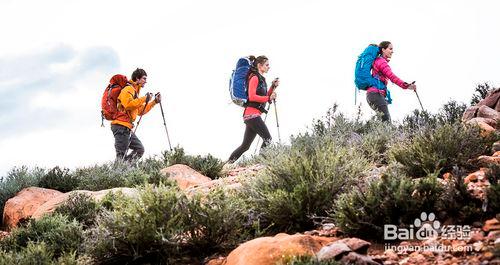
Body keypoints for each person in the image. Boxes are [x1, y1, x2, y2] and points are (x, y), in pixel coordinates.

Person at [228, 56, 279, 163]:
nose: (268, 67)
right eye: (267, 65)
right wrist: (268, 97)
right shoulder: (254, 78)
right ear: (259, 66)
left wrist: (272, 87)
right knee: (268, 139)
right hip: (252, 115)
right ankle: (261, 163)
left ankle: (226, 164)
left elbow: (264, 97)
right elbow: (252, 97)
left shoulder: (262, 79)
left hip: (252, 116)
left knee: (245, 146)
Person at [111, 68, 161, 161]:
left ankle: (125, 170)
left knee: (139, 149)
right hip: (121, 126)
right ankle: (119, 171)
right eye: (144, 79)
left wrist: (154, 102)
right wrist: (144, 98)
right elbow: (128, 104)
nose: (146, 81)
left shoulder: (135, 91)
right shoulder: (128, 89)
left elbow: (140, 111)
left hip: (126, 127)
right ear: (137, 79)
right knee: (120, 156)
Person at [366, 41, 416, 122]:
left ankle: (369, 134)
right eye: (390, 49)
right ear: (383, 49)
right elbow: (392, 77)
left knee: (382, 121)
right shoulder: (381, 61)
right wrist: (406, 85)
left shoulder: (377, 61)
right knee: (386, 121)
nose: (392, 51)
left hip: (373, 95)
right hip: (375, 94)